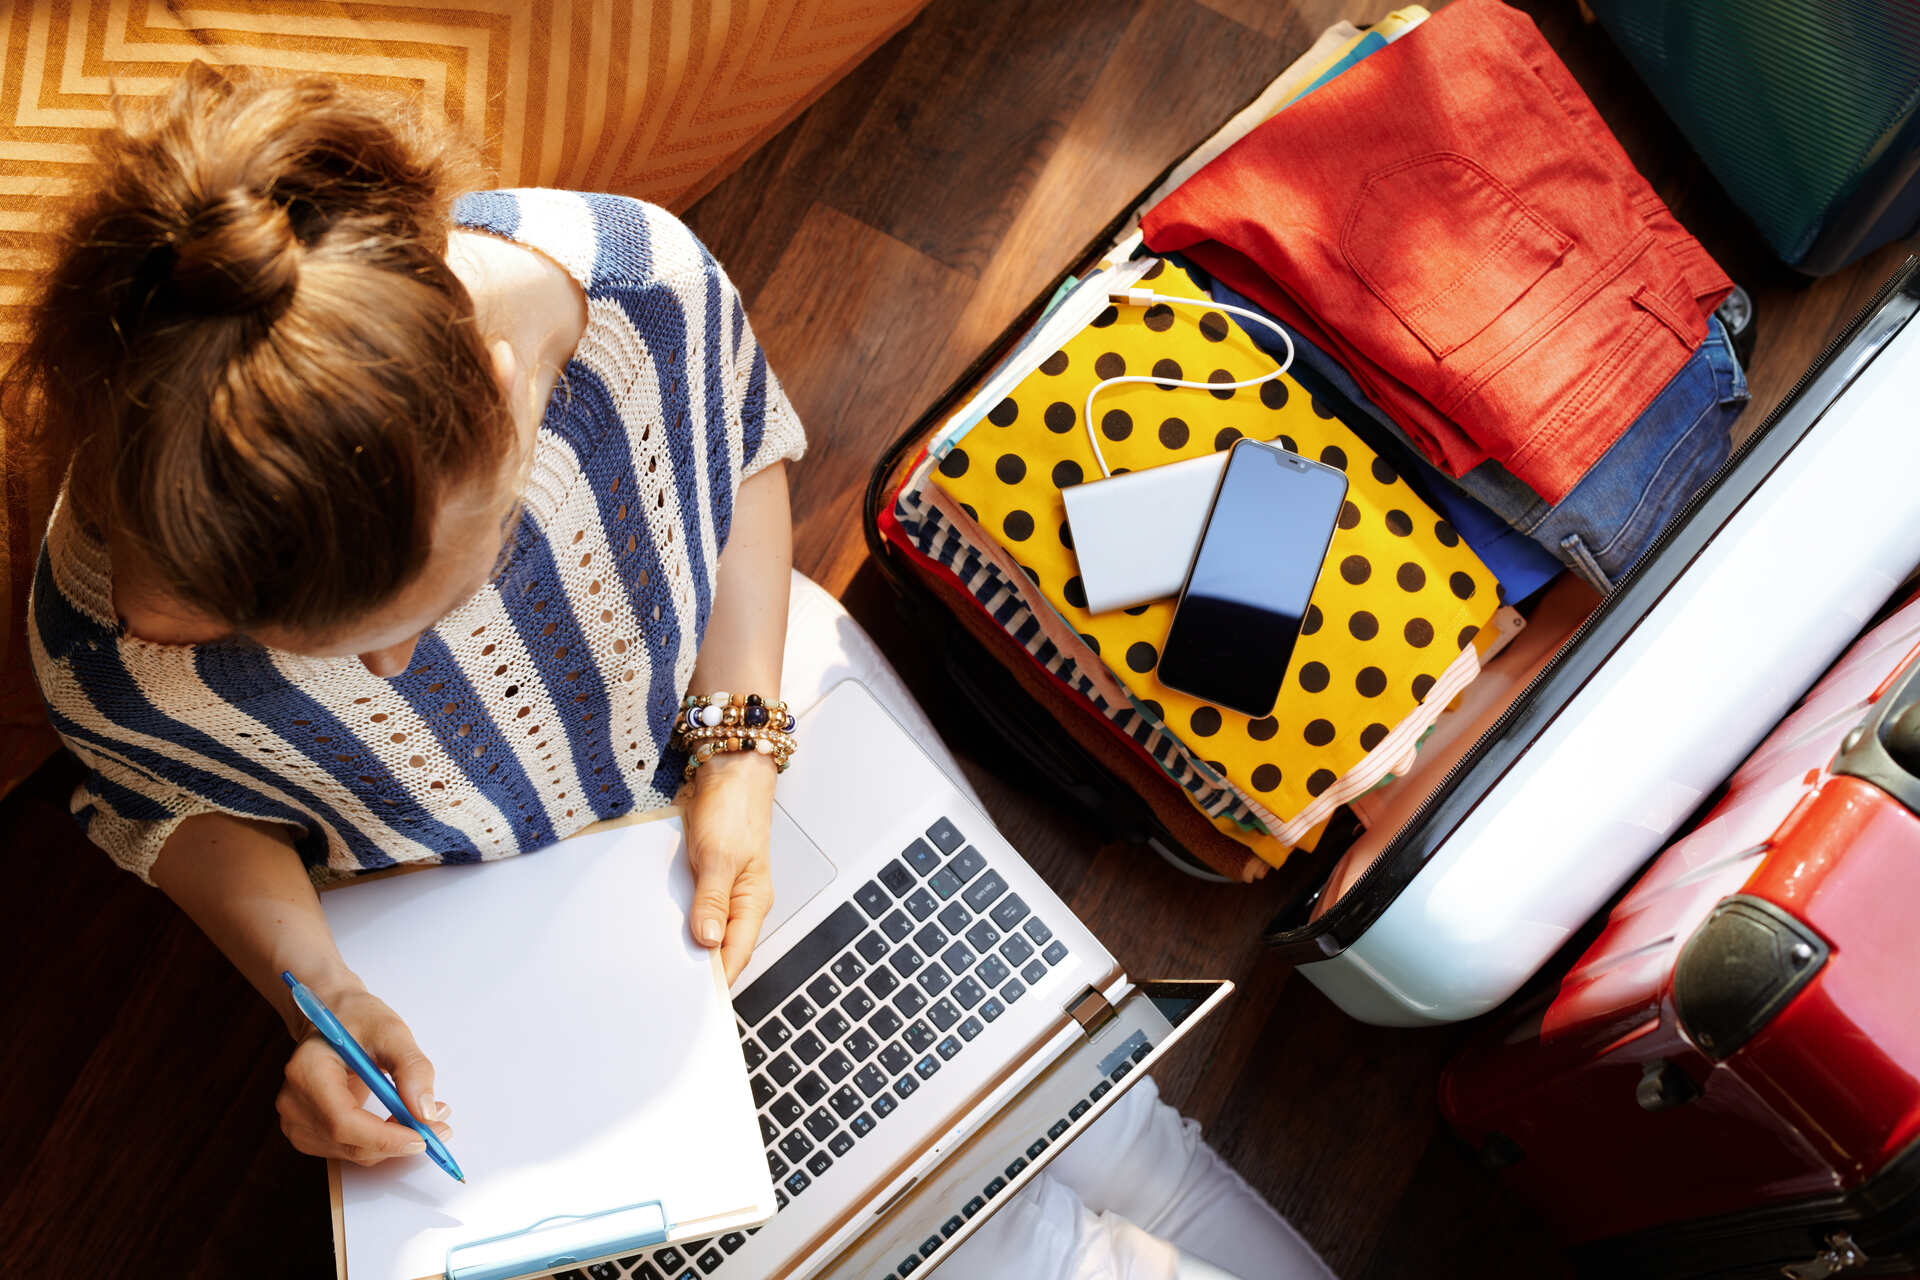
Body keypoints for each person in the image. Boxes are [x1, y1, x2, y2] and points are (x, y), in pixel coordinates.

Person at [15, 63, 1334, 1280]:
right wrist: (328, 996)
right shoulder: (132, 630)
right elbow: (179, 812)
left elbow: (743, 458)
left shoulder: (637, 287)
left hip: (753, 705)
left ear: (499, 387)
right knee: (1003, 1238)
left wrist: (742, 744)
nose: (397, 670)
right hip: (475, 923)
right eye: (321, 654)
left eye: (438, 599)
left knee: (1103, 1113)